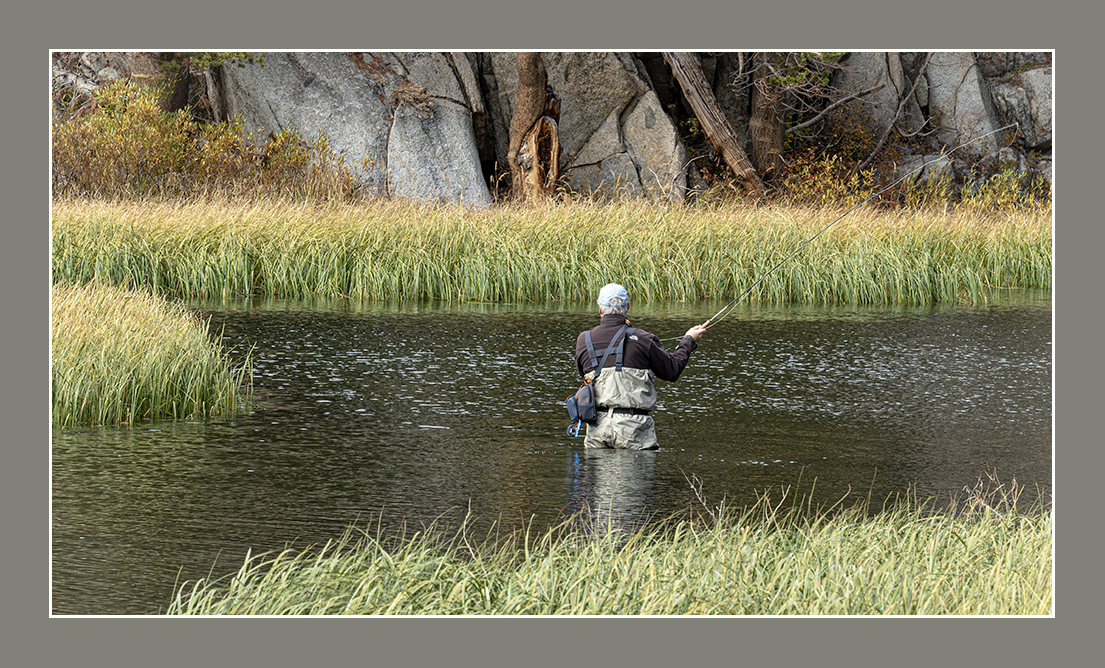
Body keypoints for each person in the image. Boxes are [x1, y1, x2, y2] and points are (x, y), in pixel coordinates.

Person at [574, 283, 707, 450]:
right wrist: (688, 340)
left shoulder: (583, 340)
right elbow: (672, 371)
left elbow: (583, 374)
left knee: (597, 475)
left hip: (597, 428)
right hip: (633, 429)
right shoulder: (644, 338)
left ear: (600, 308)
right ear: (627, 307)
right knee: (636, 475)